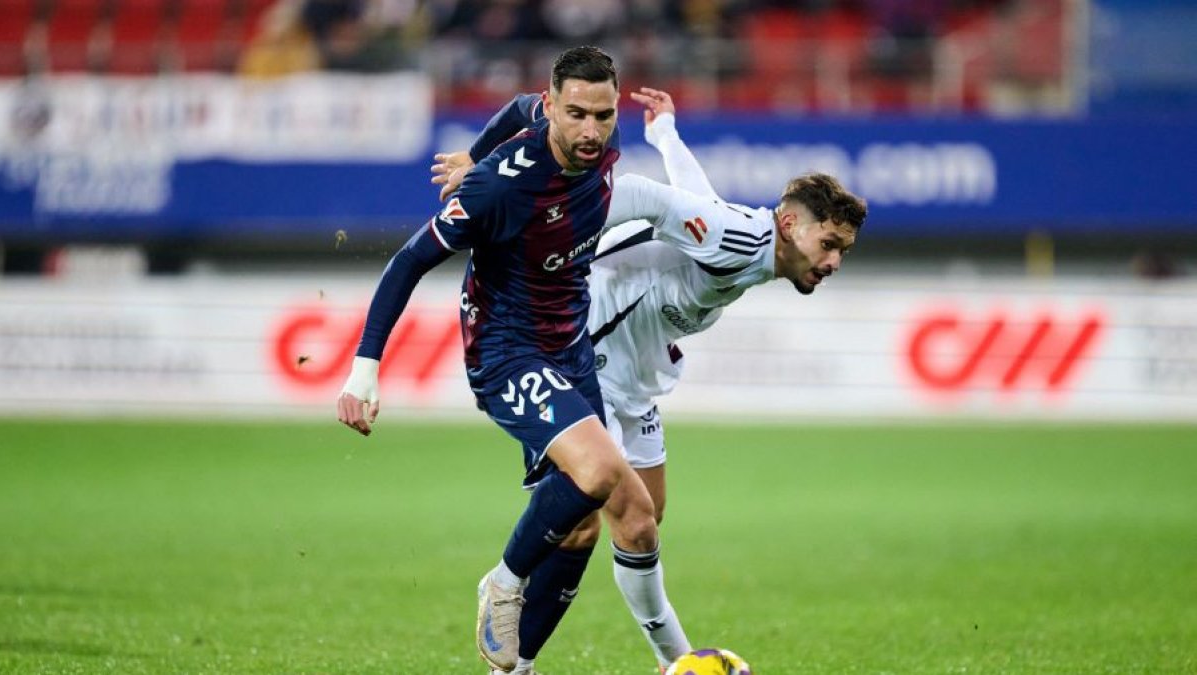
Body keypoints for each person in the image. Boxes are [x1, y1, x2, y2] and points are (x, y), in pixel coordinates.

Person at [433, 88, 867, 674]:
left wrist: (666, 134)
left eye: (843, 250)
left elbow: (696, 199)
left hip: (636, 378)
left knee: (642, 521)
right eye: (829, 244)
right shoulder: (743, 239)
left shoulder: (746, 241)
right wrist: (554, 217)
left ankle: (648, 663)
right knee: (599, 522)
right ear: (790, 225)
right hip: (583, 358)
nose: (834, 261)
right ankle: (650, 660)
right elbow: (645, 196)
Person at [336, 46, 661, 674]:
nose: (591, 130)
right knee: (597, 472)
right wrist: (364, 369)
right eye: (576, 114)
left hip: (570, 346)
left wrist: (472, 151)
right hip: (507, 351)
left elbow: (515, 107)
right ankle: (504, 581)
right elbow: (409, 261)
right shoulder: (499, 187)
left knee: (586, 525)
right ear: (552, 107)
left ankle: (514, 668)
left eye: (603, 115)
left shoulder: (591, 142)